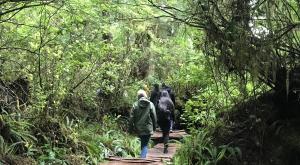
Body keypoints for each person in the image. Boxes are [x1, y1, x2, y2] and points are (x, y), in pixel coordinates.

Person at [129, 89, 157, 158]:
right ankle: (143, 159)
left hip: (138, 128)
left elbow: (131, 118)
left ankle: (142, 157)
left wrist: (130, 129)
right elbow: (154, 117)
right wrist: (154, 127)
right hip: (148, 128)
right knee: (145, 144)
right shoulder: (150, 104)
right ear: (145, 96)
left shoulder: (135, 105)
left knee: (143, 143)